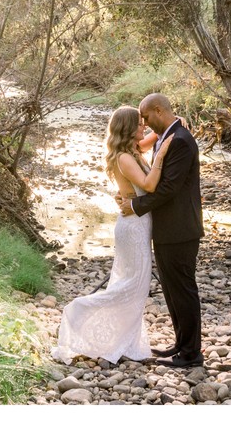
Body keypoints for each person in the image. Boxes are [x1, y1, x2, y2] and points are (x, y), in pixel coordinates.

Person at [51, 105, 173, 365]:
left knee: (134, 286)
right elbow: (150, 185)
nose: (146, 127)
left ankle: (122, 341)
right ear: (129, 128)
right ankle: (77, 313)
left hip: (138, 223)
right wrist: (160, 155)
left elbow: (159, 134)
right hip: (133, 228)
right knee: (130, 286)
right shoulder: (125, 157)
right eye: (141, 124)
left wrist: (174, 123)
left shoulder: (133, 150)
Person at [118, 93, 204, 369]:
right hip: (169, 229)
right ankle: (181, 344)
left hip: (180, 229)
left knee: (183, 290)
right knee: (171, 289)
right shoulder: (171, 134)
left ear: (158, 110)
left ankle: (191, 354)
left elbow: (169, 189)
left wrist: (135, 204)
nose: (143, 123)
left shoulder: (179, 140)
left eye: (145, 117)